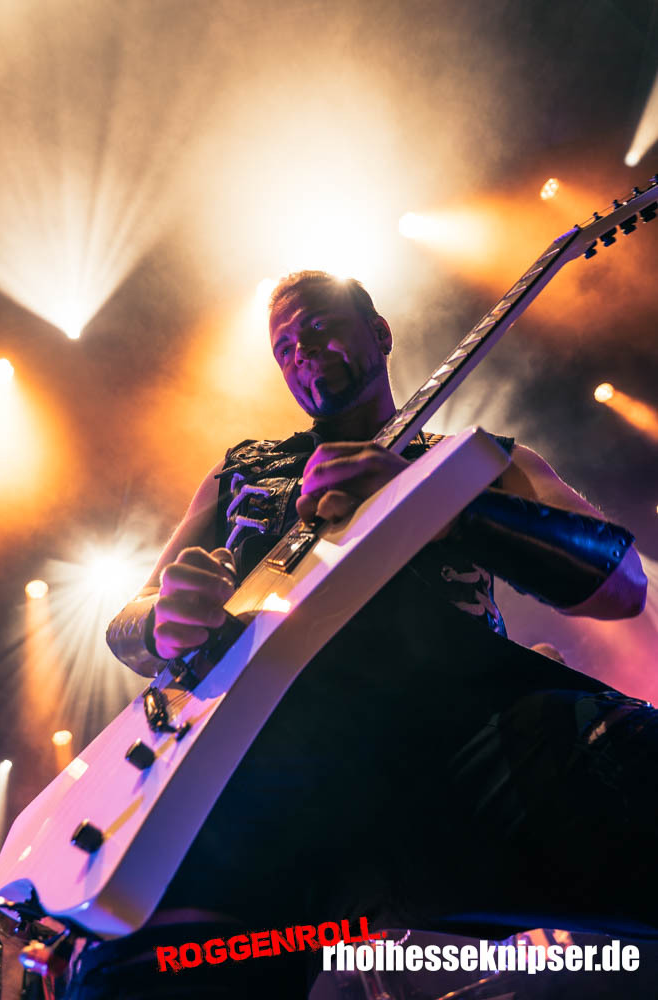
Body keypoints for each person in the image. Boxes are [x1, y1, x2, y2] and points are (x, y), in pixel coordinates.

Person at [67, 271, 652, 999]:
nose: (301, 352)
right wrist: (161, 619)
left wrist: (444, 507)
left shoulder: (475, 460)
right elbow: (128, 625)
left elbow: (622, 583)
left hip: (460, 753)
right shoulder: (243, 469)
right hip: (259, 781)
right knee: (135, 971)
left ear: (379, 333)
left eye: (316, 326)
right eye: (284, 347)